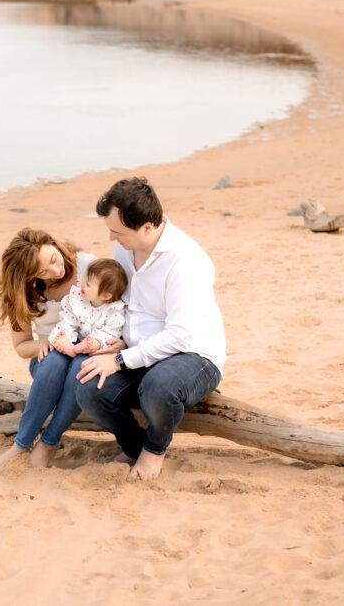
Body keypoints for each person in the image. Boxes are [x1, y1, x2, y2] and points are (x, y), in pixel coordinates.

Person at [76, 177, 226, 481]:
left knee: (158, 387)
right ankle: (134, 446)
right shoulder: (125, 247)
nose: (111, 238)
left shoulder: (186, 260)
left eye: (118, 232)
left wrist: (121, 360)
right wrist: (118, 341)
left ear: (147, 226)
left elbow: (180, 336)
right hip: (138, 351)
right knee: (89, 390)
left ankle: (155, 448)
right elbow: (127, 302)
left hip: (192, 356)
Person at [0, 228, 102, 469]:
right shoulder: (24, 290)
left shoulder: (88, 267)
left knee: (80, 368)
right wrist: (41, 343)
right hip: (50, 358)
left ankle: (49, 442)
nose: (55, 271)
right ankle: (21, 444)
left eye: (53, 259)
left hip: (88, 350)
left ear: (54, 243)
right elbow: (21, 346)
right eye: (42, 272)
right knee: (54, 362)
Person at [48, 258, 127, 358]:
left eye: (88, 284)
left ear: (105, 296)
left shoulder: (113, 310)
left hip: (97, 341)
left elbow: (110, 331)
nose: (82, 283)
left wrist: (96, 342)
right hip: (78, 338)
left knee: (103, 338)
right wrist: (64, 335)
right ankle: (69, 347)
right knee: (64, 328)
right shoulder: (78, 299)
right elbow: (69, 320)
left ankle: (89, 345)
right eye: (84, 277)